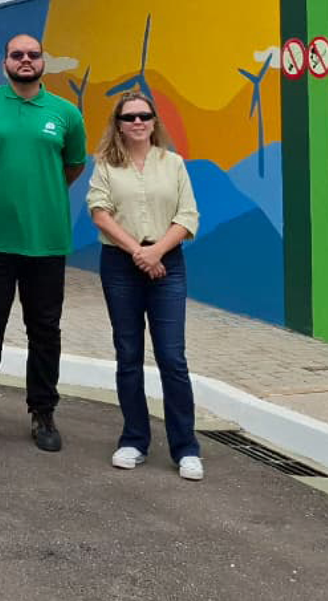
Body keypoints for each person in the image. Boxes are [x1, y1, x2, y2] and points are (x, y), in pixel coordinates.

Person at [0, 34, 88, 452]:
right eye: (17, 55)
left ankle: (43, 413)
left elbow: (71, 167)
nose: (26, 60)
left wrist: (40, 193)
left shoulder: (66, 113)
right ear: (5, 63)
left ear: (43, 62)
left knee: (45, 331)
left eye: (33, 55)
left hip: (46, 241)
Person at [86, 90, 204, 481]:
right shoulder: (106, 165)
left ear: (154, 122)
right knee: (128, 353)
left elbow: (188, 216)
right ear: (118, 125)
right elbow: (99, 213)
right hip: (121, 264)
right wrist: (139, 252)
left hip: (167, 263)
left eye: (144, 116)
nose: (137, 122)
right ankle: (134, 440)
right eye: (129, 117)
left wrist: (156, 253)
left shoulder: (173, 164)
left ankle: (186, 448)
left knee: (172, 357)